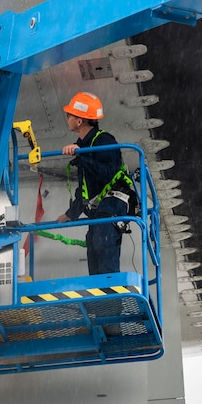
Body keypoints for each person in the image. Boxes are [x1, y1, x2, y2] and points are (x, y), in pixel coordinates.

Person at [55, 92, 129, 275]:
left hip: (111, 207)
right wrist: (70, 214)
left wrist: (82, 156)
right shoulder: (84, 145)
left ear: (79, 121)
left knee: (105, 261)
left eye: (70, 115)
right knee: (94, 257)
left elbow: (108, 174)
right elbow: (87, 190)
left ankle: (111, 301)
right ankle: (101, 303)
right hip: (100, 212)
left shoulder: (104, 141)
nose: (67, 118)